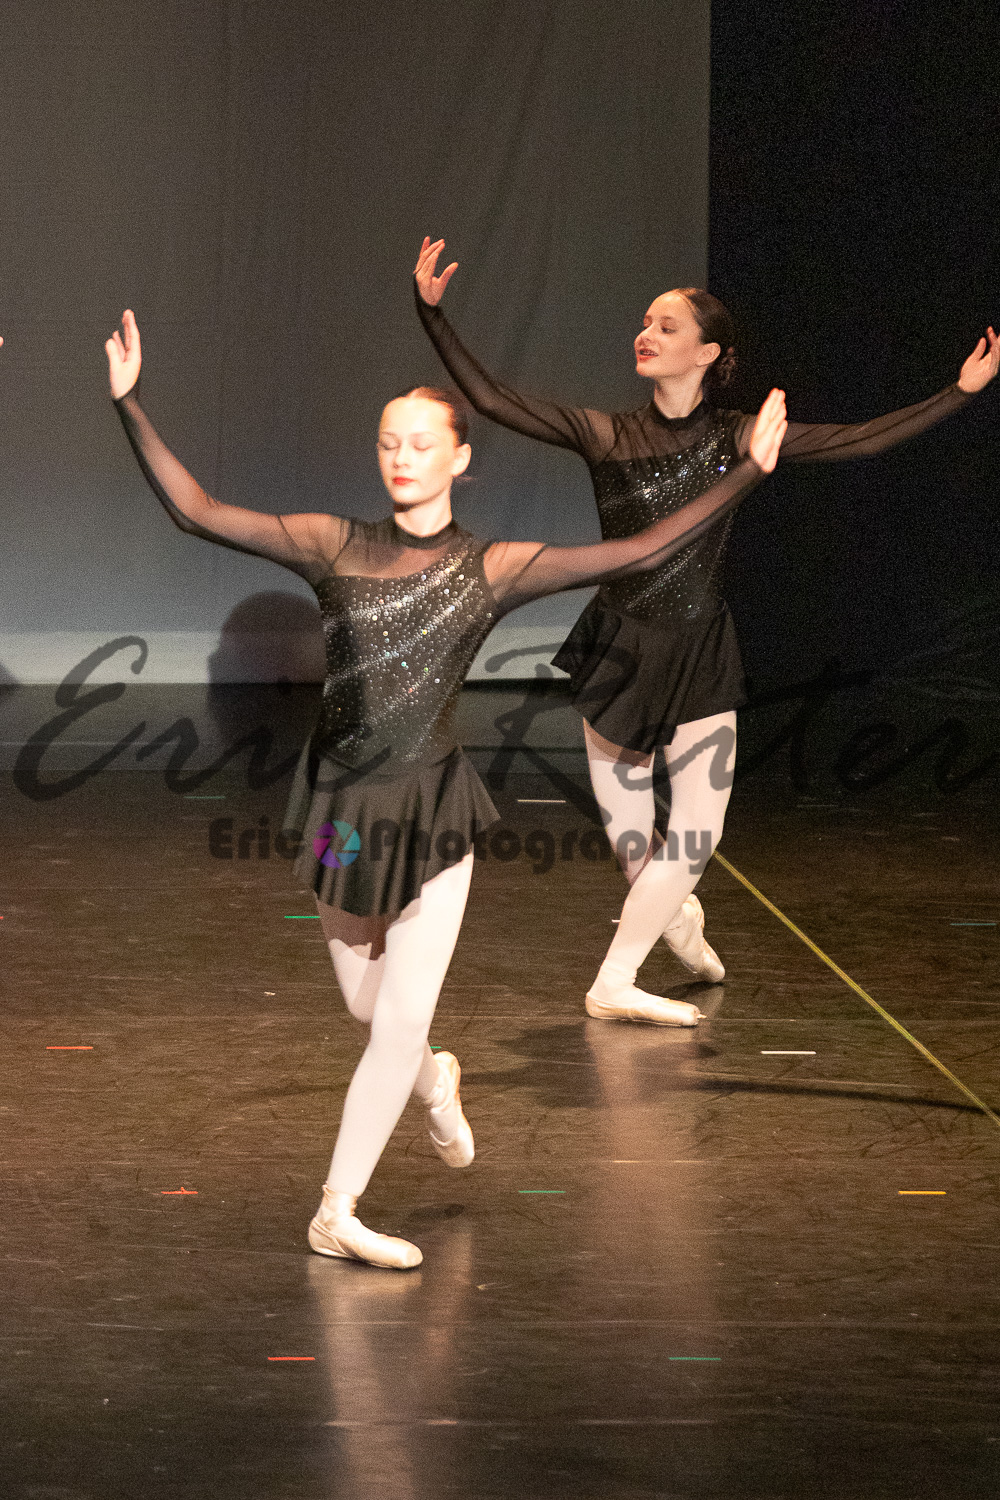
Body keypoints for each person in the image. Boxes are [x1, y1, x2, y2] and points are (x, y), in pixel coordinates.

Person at [105, 308, 785, 1268]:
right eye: (390, 442)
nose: (403, 457)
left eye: (422, 443)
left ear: (460, 459)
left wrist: (747, 472)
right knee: (367, 1010)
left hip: (433, 812)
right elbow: (198, 510)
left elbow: (638, 553)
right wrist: (131, 403)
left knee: (398, 1019)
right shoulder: (332, 544)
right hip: (338, 815)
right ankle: (433, 1083)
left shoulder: (490, 568)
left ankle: (336, 1210)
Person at [414, 237, 999, 1025]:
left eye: (667, 326)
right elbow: (493, 401)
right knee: (640, 857)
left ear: (708, 353)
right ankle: (675, 919)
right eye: (644, 322)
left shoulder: (737, 436)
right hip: (621, 647)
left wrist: (959, 392)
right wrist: (433, 313)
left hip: (699, 646)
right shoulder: (608, 434)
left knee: (695, 833)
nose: (645, 334)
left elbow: (861, 439)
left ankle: (614, 981)